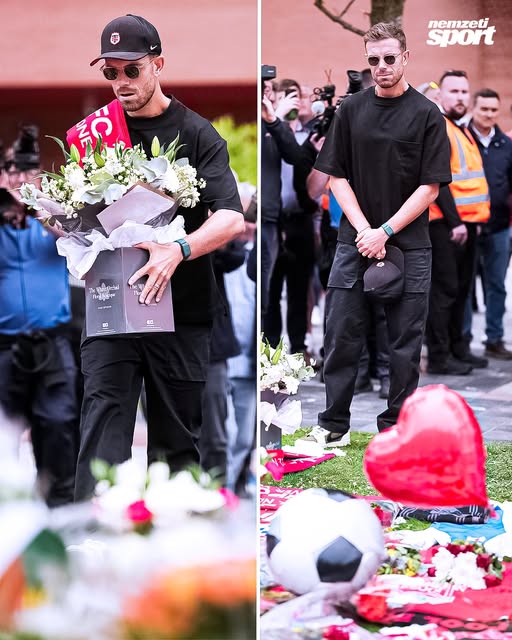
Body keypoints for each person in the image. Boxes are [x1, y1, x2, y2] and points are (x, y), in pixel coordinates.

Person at [74, 15, 245, 500]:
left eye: (132, 70)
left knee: (176, 449)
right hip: (111, 308)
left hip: (180, 313)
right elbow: (78, 214)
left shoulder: (197, 133)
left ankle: (173, 541)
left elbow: (231, 218)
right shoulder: (94, 133)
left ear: (158, 64)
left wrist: (179, 249)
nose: (121, 82)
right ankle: (92, 534)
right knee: (101, 436)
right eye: (111, 73)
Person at [310, 22, 451, 444]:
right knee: (340, 335)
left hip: (410, 244)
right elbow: (335, 176)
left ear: (405, 57)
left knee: (404, 345)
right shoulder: (351, 110)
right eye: (374, 60)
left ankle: (396, 430)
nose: (382, 66)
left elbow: (431, 187)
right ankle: (332, 426)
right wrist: (365, 231)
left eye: (390, 58)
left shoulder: (427, 114)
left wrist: (385, 231)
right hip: (354, 240)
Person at [0, 128, 79, 506]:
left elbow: (74, 234)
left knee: (59, 427)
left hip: (52, 344)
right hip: (4, 348)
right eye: (11, 171)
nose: (18, 179)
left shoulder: (53, 213)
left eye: (27, 171)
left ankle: (60, 514)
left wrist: (35, 204)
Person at [426, 71, 490, 375]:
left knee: (461, 290)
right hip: (446, 224)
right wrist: (455, 222)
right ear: (440, 96)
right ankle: (440, 357)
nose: (461, 97)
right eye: (454, 91)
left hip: (467, 223)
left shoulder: (460, 129)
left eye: (465, 91)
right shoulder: (440, 126)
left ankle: (457, 349)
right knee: (444, 291)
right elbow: (438, 179)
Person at [468, 89, 512, 359]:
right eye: (483, 108)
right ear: (474, 108)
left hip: (499, 227)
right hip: (467, 226)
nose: (488, 114)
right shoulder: (463, 139)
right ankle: (462, 340)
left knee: (497, 285)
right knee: (464, 287)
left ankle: (494, 339)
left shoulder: (507, 145)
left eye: (493, 110)